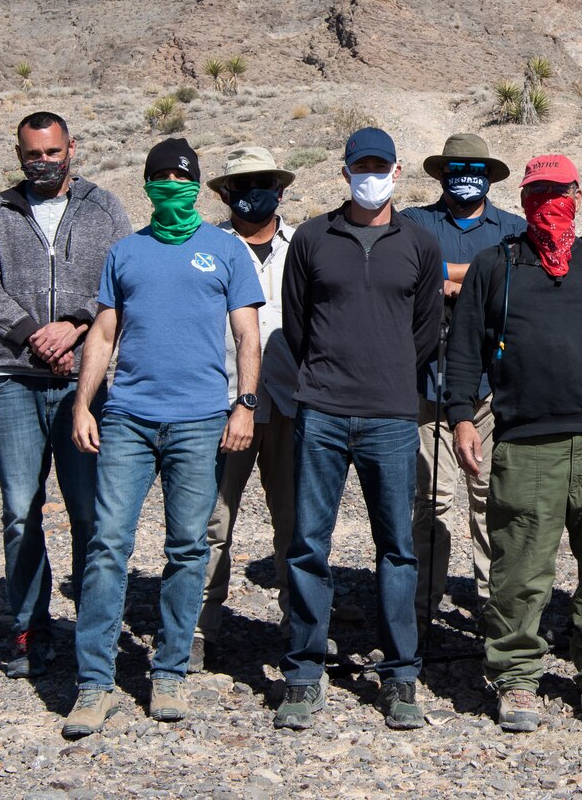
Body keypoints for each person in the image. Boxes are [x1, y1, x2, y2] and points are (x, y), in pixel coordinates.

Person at [444, 154, 582, 732]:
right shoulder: (496, 265)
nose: (550, 203)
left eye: (560, 191)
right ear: (524, 200)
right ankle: (516, 677)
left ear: (579, 195)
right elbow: (464, 349)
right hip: (526, 444)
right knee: (519, 568)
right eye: (539, 193)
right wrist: (462, 417)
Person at [61, 138, 263, 740]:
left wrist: (243, 406)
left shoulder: (226, 251)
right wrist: (83, 403)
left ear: (197, 186)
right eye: (160, 178)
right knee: (106, 547)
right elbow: (102, 334)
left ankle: (169, 670)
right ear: (146, 186)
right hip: (127, 418)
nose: (171, 185)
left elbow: (249, 337)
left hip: (200, 420)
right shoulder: (125, 254)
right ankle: (94, 684)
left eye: (181, 178)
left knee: (188, 549)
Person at [275, 127, 444, 732]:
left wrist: (390, 374)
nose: (369, 175)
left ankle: (401, 674)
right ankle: (302, 673)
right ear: (344, 172)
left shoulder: (419, 245)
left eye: (379, 165)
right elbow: (297, 324)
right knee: (308, 545)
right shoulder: (313, 239)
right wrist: (327, 377)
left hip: (392, 415)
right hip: (320, 409)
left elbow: (426, 332)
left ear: (398, 172)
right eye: (359, 166)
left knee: (397, 548)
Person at [0, 111, 132, 679]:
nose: (42, 161)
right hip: (15, 377)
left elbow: (121, 277)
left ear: (71, 150)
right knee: (19, 509)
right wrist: (33, 333)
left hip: (86, 382)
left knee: (90, 511)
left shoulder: (103, 207)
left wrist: (76, 323)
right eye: (32, 153)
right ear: (19, 153)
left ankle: (92, 627)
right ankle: (30, 626)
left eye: (52, 152)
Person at [400, 133, 525, 625]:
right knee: (432, 498)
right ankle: (419, 606)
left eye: (473, 167)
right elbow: (409, 273)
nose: (464, 176)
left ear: (489, 175)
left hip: (493, 386)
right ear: (440, 176)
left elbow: (515, 279)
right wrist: (477, 277)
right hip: (429, 381)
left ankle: (493, 606)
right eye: (455, 168)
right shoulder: (415, 222)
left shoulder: (513, 227)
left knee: (489, 496)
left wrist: (453, 281)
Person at [193, 146, 301, 672]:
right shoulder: (205, 248)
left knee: (296, 519)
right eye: (241, 184)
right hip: (221, 402)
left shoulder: (304, 245)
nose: (252, 193)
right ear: (223, 194)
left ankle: (299, 625)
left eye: (262, 182)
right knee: (211, 520)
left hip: (292, 403)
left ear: (280, 190)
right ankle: (197, 627)